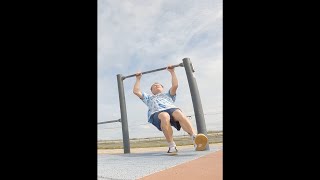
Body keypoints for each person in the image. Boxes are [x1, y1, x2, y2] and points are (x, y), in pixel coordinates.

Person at [133, 65, 198, 154]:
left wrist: (172, 72)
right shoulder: (149, 98)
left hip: (171, 109)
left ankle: (195, 137)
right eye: (154, 86)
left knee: (178, 113)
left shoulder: (168, 95)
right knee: (164, 115)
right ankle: (172, 145)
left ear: (162, 88)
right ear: (151, 90)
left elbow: (175, 85)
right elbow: (136, 91)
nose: (156, 86)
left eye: (158, 85)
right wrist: (138, 79)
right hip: (157, 113)